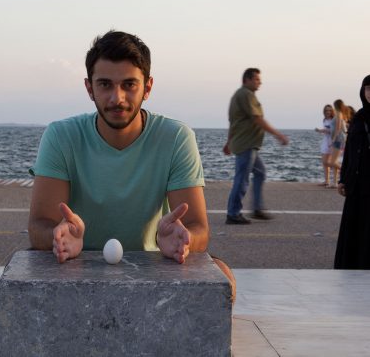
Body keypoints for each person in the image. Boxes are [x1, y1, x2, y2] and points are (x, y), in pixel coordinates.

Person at [28, 30, 236, 301]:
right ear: (89, 88)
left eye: (129, 84)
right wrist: (59, 238)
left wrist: (181, 240)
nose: (117, 98)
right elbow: (39, 226)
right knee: (18, 279)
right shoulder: (61, 136)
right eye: (105, 84)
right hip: (75, 261)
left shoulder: (175, 137)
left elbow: (198, 228)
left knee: (223, 278)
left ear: (147, 87)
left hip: (154, 262)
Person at [223, 68, 289, 224]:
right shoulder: (246, 94)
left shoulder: (239, 95)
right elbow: (257, 119)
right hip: (246, 144)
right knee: (242, 179)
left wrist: (228, 142)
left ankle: (257, 209)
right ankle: (233, 214)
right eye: (257, 79)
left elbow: (234, 122)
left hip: (246, 143)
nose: (260, 82)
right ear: (247, 80)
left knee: (260, 173)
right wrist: (278, 135)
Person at [334, 76, 370, 269]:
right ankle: (352, 265)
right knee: (355, 224)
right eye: (367, 89)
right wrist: (342, 179)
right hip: (356, 181)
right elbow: (349, 150)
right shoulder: (359, 117)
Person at [327, 99, 348, 187]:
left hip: (338, 139)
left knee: (332, 162)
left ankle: (347, 172)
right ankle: (334, 183)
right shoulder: (339, 114)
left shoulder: (339, 114)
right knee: (334, 161)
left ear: (336, 105)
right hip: (338, 139)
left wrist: (333, 139)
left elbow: (338, 127)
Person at [315, 104, 335, 186]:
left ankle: (335, 180)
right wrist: (321, 131)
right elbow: (326, 130)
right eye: (326, 110)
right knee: (324, 162)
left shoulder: (333, 120)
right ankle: (327, 181)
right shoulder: (324, 120)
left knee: (331, 162)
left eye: (330, 110)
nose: (328, 112)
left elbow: (333, 131)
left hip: (332, 142)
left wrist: (321, 130)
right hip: (325, 142)